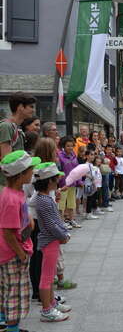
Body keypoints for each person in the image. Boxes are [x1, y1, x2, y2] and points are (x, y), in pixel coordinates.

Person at [0, 150, 40, 332]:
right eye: (31, 169)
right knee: (15, 292)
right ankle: (12, 328)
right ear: (21, 174)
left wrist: (29, 221)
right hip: (12, 253)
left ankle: (4, 321)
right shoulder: (10, 199)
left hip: (15, 249)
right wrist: (21, 254)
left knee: (6, 288)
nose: (33, 172)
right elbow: (8, 232)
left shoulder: (15, 192)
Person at [33, 162, 72, 322]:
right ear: (49, 181)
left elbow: (54, 220)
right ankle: (46, 310)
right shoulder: (43, 200)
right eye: (56, 178)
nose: (58, 181)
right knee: (47, 278)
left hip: (51, 241)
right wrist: (63, 235)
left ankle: (51, 302)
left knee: (49, 276)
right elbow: (51, 224)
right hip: (50, 241)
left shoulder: (45, 198)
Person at [0, 93, 36, 189]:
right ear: (20, 107)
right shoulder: (6, 126)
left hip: (14, 183)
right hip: (5, 184)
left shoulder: (17, 128)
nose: (33, 110)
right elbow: (7, 160)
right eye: (31, 107)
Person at [57, 136, 81, 229]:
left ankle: (71, 220)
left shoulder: (74, 155)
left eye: (72, 146)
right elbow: (59, 170)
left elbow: (77, 169)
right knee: (62, 203)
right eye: (68, 146)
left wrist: (79, 181)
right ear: (63, 146)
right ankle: (61, 221)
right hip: (63, 184)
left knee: (72, 203)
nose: (70, 148)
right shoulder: (60, 156)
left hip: (73, 183)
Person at [84, 150, 99, 220]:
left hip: (91, 183)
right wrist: (89, 176)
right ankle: (88, 213)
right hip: (88, 184)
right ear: (87, 156)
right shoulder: (86, 164)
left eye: (93, 155)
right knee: (89, 198)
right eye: (91, 154)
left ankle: (89, 212)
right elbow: (83, 173)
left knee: (91, 198)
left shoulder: (91, 164)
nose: (92, 156)